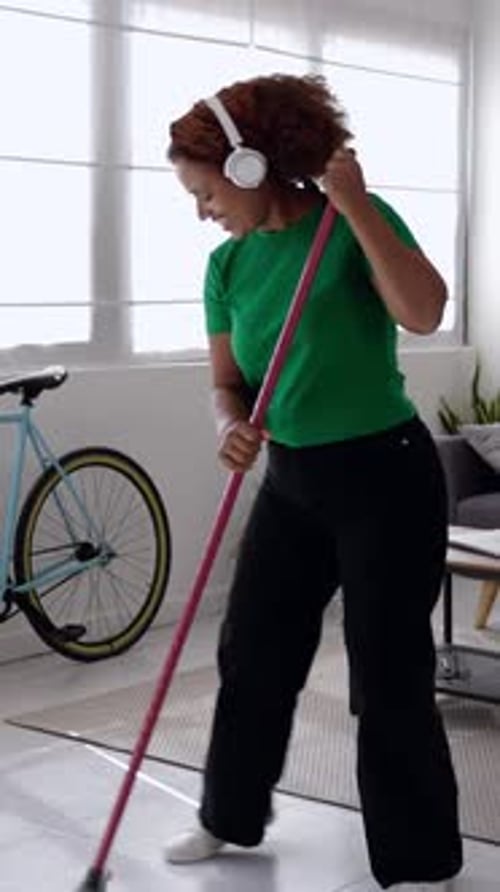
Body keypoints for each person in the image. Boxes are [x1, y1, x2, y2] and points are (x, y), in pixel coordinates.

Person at [164, 73, 463, 890]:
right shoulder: (226, 268)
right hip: (292, 479)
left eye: (206, 190)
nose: (203, 210)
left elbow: (425, 311)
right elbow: (227, 384)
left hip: (386, 476)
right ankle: (229, 815)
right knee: (251, 653)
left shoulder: (346, 225)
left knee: (390, 672)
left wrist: (359, 205)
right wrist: (229, 427)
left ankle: (418, 862)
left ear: (252, 166)